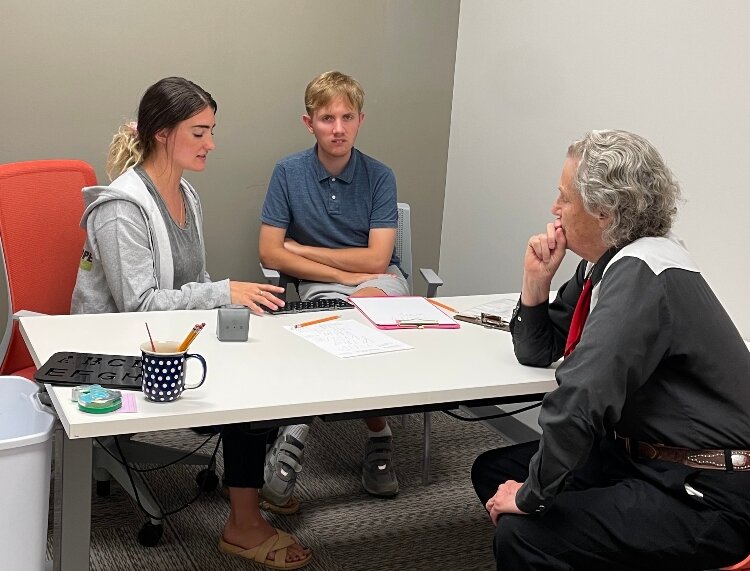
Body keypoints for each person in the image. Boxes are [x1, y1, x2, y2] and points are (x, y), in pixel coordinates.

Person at [471, 129, 750, 570]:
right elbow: (538, 349)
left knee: (525, 533)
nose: (554, 209)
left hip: (706, 490)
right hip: (643, 457)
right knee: (494, 472)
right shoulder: (608, 265)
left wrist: (531, 498)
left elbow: (580, 399)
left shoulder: (643, 272)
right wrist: (535, 283)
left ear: (603, 209)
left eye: (564, 197)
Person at [71, 77, 312, 569]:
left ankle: (243, 486)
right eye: (200, 132)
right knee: (247, 397)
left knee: (269, 366)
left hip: (165, 340)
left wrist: (233, 307)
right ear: (163, 133)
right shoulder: (121, 209)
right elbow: (137, 307)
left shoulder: (186, 195)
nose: (212, 144)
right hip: (116, 355)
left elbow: (192, 281)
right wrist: (223, 292)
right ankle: (242, 526)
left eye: (212, 131)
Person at [257, 71, 410, 503]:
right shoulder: (288, 172)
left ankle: (307, 427)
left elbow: (377, 260)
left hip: (378, 285)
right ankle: (369, 432)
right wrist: (342, 273)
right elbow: (270, 253)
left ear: (360, 120)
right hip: (320, 288)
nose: (337, 128)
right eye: (327, 118)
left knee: (361, 321)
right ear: (310, 123)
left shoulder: (380, 176)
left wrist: (304, 249)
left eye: (347, 117)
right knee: (335, 321)